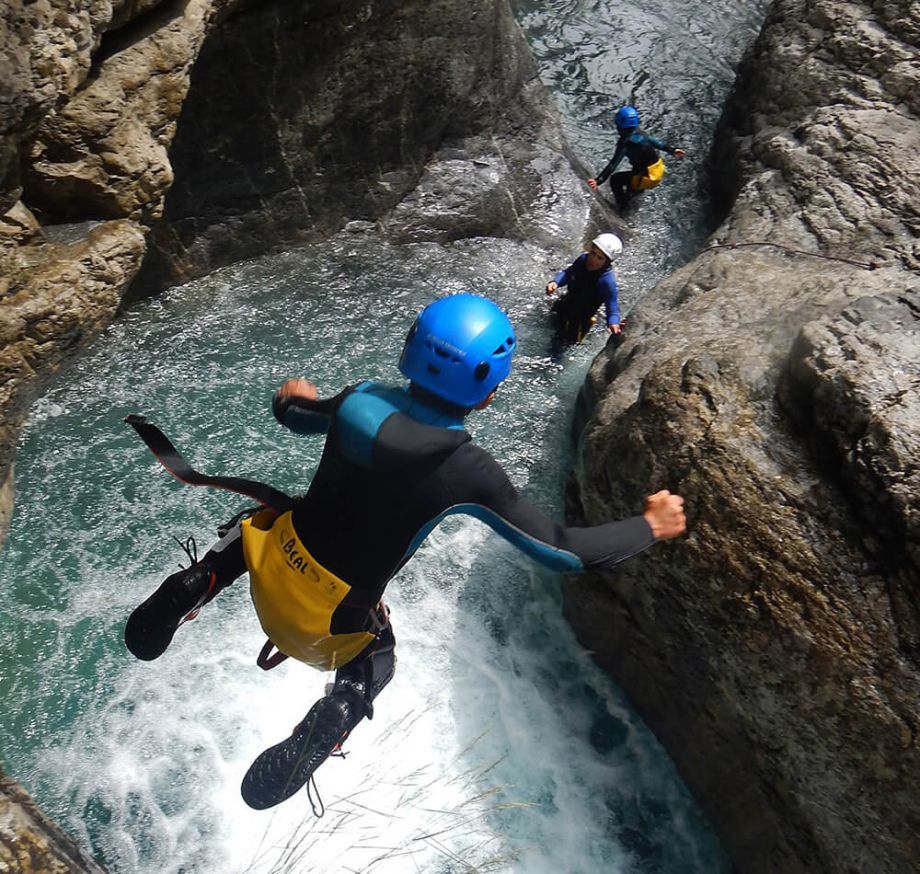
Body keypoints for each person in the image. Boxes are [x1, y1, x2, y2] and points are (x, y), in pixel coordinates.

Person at [124, 293, 687, 812]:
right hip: (325, 624)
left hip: (266, 565)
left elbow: (292, 415)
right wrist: (649, 525)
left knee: (264, 518)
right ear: (489, 389)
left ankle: (197, 581)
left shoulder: (359, 400)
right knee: (379, 658)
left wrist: (294, 398)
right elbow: (562, 552)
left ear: (410, 348)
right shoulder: (468, 470)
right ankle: (336, 714)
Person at [587, 105, 686, 210]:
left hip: (647, 177)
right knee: (634, 180)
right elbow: (657, 143)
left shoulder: (625, 143)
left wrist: (598, 181)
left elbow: (613, 164)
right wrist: (673, 150)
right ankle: (632, 199)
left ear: (619, 124)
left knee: (615, 179)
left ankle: (622, 207)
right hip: (657, 170)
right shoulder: (640, 132)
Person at [545, 233, 623, 345]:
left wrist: (613, 323)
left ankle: (589, 323)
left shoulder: (607, 282)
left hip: (579, 319)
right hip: (565, 303)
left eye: (600, 258)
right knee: (550, 322)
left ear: (607, 262)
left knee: (561, 345)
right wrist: (556, 282)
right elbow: (568, 273)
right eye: (593, 253)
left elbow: (612, 306)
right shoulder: (582, 260)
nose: (593, 260)